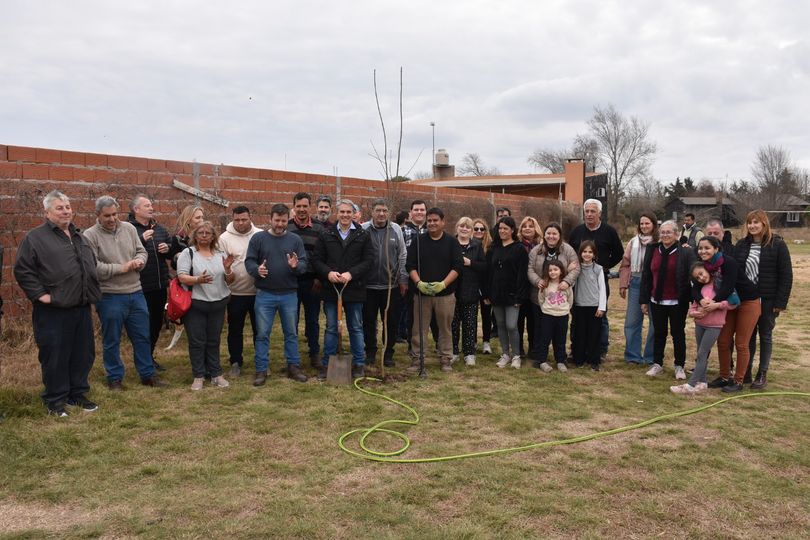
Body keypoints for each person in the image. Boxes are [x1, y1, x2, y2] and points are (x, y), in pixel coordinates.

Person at [14, 190, 102, 416]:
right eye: (59, 208)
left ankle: (77, 394)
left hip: (81, 306)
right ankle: (55, 400)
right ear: (47, 212)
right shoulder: (35, 238)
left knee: (82, 354)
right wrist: (41, 295)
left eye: (68, 206)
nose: (66, 211)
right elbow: (23, 270)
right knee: (55, 356)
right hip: (53, 311)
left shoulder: (79, 236)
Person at [83, 196, 164, 390]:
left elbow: (141, 251)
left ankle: (147, 374)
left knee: (142, 336)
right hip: (110, 295)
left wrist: (141, 261)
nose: (112, 219)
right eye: (107, 216)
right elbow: (93, 267)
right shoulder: (89, 235)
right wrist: (122, 268)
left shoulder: (129, 229)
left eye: (114, 214)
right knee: (112, 339)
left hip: (136, 292)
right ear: (97, 215)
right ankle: (115, 378)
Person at [718, 210, 792, 391]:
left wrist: (780, 303)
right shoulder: (742, 245)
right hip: (746, 299)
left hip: (768, 299)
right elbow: (734, 270)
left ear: (764, 224)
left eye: (756, 222)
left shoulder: (778, 245)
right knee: (747, 337)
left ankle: (762, 373)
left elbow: (786, 275)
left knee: (765, 335)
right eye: (749, 222)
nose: (752, 226)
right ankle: (747, 371)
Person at [245, 204, 309, 385]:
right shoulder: (258, 239)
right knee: (263, 334)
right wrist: (257, 270)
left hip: (289, 294)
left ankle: (293, 366)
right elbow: (249, 261)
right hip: (265, 294)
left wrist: (296, 266)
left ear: (287, 219)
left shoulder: (295, 239)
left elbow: (304, 263)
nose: (280, 224)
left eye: (283, 220)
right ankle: (261, 369)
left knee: (291, 333)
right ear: (270, 219)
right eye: (277, 220)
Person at [313, 199, 374, 379]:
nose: (345, 215)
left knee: (355, 327)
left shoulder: (363, 235)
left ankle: (359, 364)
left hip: (354, 289)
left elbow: (369, 261)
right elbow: (316, 260)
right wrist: (328, 273)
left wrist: (351, 274)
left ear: (354, 214)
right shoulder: (327, 234)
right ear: (337, 213)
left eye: (349, 212)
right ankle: (328, 363)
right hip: (332, 289)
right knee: (332, 327)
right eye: (342, 212)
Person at [176, 221, 235, 390]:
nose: (203, 236)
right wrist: (197, 280)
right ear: (194, 235)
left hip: (218, 302)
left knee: (213, 340)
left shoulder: (220, 253)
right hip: (196, 304)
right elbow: (182, 277)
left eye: (207, 233)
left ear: (213, 236)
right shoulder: (188, 253)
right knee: (197, 341)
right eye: (200, 233)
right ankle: (199, 376)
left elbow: (229, 280)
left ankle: (216, 374)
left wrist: (229, 269)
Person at [406, 207, 464, 374]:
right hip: (421, 294)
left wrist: (443, 284)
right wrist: (418, 283)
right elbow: (410, 265)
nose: (431, 223)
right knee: (419, 328)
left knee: (445, 328)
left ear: (442, 222)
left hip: (445, 294)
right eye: (429, 220)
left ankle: (446, 358)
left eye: (435, 220)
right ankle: (418, 359)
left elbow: (458, 266)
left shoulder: (452, 242)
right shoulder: (418, 241)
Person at [639, 220, 697, 379]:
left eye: (669, 232)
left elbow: (694, 274)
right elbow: (647, 276)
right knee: (659, 333)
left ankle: (679, 366)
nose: (665, 235)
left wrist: (695, 300)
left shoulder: (685, 252)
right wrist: (643, 300)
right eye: (662, 232)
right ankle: (657, 363)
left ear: (677, 234)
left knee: (678, 333)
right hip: (656, 299)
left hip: (678, 301)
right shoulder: (653, 250)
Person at [568, 199, 623, 361]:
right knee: (577, 317)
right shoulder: (577, 232)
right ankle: (576, 349)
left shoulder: (609, 232)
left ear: (599, 213)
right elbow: (571, 254)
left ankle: (600, 350)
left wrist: (605, 267)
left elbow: (619, 253)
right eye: (587, 211)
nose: (589, 214)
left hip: (599, 279)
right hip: (578, 280)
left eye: (593, 211)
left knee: (601, 316)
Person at [671, 261, 736, 395]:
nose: (700, 278)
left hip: (714, 326)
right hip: (700, 325)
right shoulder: (699, 288)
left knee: (702, 353)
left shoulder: (721, 284)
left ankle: (690, 385)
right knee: (701, 353)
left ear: (707, 270)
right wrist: (696, 313)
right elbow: (693, 307)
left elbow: (733, 304)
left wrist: (717, 305)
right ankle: (703, 381)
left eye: (701, 274)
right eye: (697, 277)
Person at [127, 194, 172, 368]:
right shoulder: (128, 229)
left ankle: (149, 357)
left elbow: (170, 250)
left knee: (156, 323)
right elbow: (125, 252)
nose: (151, 208)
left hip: (159, 285)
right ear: (136, 209)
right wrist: (141, 240)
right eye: (147, 205)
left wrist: (167, 248)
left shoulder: (159, 228)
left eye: (151, 205)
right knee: (141, 326)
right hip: (140, 285)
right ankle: (143, 361)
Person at [362, 199, 407, 368]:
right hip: (368, 286)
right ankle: (370, 352)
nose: (381, 214)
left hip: (391, 286)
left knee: (390, 321)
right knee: (368, 321)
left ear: (389, 212)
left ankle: (388, 353)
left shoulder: (395, 229)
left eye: (385, 210)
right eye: (378, 210)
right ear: (372, 212)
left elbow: (402, 254)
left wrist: (402, 279)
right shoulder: (364, 229)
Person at [527, 222, 580, 368]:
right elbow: (530, 269)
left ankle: (560, 358)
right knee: (539, 328)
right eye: (548, 233)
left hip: (560, 297)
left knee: (559, 333)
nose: (551, 236)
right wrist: (537, 281)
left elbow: (576, 268)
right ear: (544, 235)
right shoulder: (536, 250)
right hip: (540, 296)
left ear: (559, 235)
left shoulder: (567, 249)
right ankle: (539, 357)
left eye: (554, 234)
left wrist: (567, 281)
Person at [218, 205, 262, 377]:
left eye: (244, 219)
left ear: (250, 217)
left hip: (258, 293)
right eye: (237, 220)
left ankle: (261, 362)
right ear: (232, 219)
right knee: (235, 330)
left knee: (260, 330)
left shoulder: (259, 235)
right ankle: (235, 361)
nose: (241, 223)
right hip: (235, 294)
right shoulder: (224, 238)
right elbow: (222, 266)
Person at [287, 193, 325, 369]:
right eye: (298, 206)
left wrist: (319, 277)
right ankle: (292, 358)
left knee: (312, 320)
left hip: (312, 282)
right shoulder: (286, 227)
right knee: (291, 321)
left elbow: (324, 255)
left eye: (305, 206)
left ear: (310, 207)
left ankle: (314, 353)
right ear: (293, 207)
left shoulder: (319, 228)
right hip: (291, 282)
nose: (302, 209)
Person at [486, 217, 529, 369]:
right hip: (496, 294)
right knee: (501, 324)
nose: (502, 231)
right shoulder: (493, 248)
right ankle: (505, 354)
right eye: (500, 228)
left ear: (512, 230)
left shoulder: (519, 249)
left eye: (505, 228)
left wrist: (520, 296)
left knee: (512, 325)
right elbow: (489, 272)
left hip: (513, 295)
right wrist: (487, 294)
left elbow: (522, 275)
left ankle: (516, 355)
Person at [618, 212, 658, 365]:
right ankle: (632, 356)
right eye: (641, 223)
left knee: (655, 322)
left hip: (654, 284)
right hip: (636, 281)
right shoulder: (633, 242)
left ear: (653, 224)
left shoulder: (660, 241)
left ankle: (650, 356)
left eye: (647, 223)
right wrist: (623, 284)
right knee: (632, 321)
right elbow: (625, 264)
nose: (644, 226)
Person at [451, 217, 486, 366]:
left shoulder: (476, 246)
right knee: (452, 324)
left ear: (471, 231)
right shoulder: (450, 244)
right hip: (452, 289)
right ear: (457, 228)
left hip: (470, 290)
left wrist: (470, 263)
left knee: (470, 324)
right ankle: (452, 352)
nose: (464, 229)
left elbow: (484, 267)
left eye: (468, 227)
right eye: (462, 226)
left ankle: (469, 353)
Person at [571, 241, 607, 370]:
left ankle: (594, 360)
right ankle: (579, 359)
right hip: (579, 305)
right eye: (584, 251)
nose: (587, 254)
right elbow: (570, 282)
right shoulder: (576, 269)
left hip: (594, 306)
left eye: (590, 252)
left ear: (594, 254)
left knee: (594, 334)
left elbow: (602, 288)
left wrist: (601, 307)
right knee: (580, 334)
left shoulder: (598, 269)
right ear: (580, 253)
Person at [534, 260, 573, 372]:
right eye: (550, 270)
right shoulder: (545, 285)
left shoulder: (566, 285)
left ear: (561, 271)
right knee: (545, 339)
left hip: (562, 315)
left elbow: (570, 300)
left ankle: (560, 361)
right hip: (548, 315)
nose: (553, 272)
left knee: (560, 339)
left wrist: (564, 309)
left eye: (555, 269)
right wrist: (547, 309)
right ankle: (542, 361)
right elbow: (541, 300)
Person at [516, 216, 542, 357]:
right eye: (524, 226)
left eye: (530, 226)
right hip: (520, 288)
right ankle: (518, 348)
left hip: (535, 289)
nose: (527, 228)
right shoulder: (516, 244)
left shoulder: (542, 246)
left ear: (535, 228)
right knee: (518, 320)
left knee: (533, 321)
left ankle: (533, 348)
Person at [472, 218, 495, 354]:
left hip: (486, 286)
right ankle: (473, 341)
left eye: (482, 229)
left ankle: (486, 342)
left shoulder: (490, 248)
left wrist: (488, 292)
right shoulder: (467, 245)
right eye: (476, 229)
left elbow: (489, 269)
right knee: (472, 315)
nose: (479, 231)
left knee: (486, 315)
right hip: (472, 285)